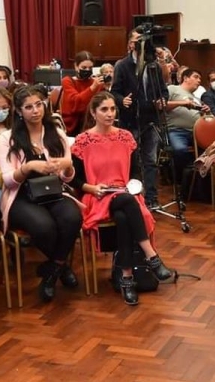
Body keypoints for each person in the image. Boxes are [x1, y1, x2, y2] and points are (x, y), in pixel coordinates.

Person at [71, 92, 175, 306]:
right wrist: (92, 188)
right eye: (104, 109)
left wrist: (133, 186)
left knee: (123, 216)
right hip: (97, 195)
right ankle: (152, 257)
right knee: (126, 204)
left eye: (112, 109)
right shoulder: (83, 141)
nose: (110, 114)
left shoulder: (125, 137)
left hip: (125, 195)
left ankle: (127, 278)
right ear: (93, 113)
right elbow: (75, 178)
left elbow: (136, 172)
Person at [0, 86, 82, 302]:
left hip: (52, 191)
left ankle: (52, 269)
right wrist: (27, 168)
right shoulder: (8, 138)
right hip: (21, 196)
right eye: (28, 107)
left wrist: (67, 166)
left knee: (72, 218)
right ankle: (62, 268)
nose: (35, 110)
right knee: (44, 227)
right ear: (19, 111)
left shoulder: (57, 133)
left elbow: (67, 178)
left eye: (39, 105)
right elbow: (8, 180)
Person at [111, 26, 170, 209]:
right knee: (132, 160)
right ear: (131, 44)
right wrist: (122, 100)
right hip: (131, 119)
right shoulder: (122, 65)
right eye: (138, 40)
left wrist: (163, 100)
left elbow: (163, 90)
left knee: (150, 160)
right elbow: (114, 92)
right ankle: (133, 197)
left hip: (151, 119)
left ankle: (152, 198)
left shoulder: (153, 66)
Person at [166, 68, 210, 200]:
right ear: (185, 78)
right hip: (176, 130)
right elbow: (161, 105)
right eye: (196, 77)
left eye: (200, 78)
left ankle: (197, 187)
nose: (199, 80)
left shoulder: (197, 99)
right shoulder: (173, 89)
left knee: (209, 151)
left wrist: (206, 112)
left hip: (195, 132)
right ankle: (183, 182)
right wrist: (183, 103)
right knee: (179, 150)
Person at [60, 51, 105, 135]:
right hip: (72, 125)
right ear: (76, 66)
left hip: (91, 124)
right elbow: (76, 102)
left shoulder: (96, 83)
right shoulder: (68, 81)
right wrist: (92, 88)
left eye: (90, 68)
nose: (87, 70)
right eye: (84, 67)